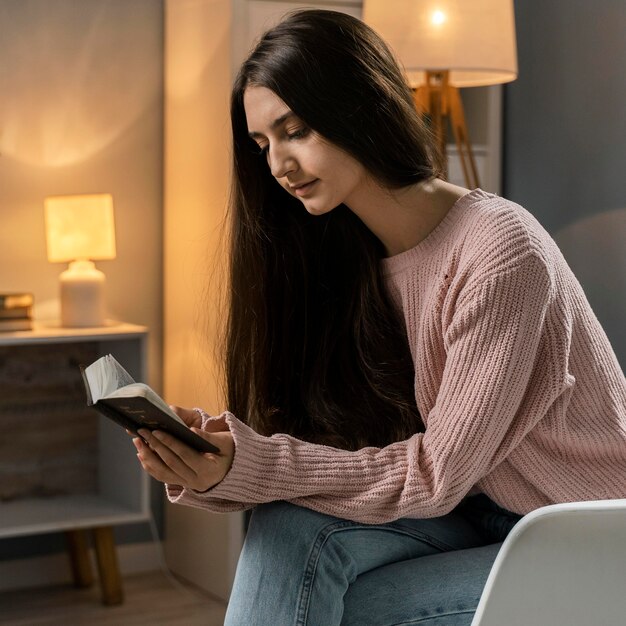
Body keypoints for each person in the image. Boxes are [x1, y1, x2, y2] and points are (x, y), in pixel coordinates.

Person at [132, 9, 626, 625]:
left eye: (297, 130)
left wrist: (254, 464)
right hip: (477, 514)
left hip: (589, 536)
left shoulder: (500, 251)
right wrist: (221, 457)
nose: (279, 165)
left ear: (361, 106)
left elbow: (435, 474)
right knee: (288, 532)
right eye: (264, 144)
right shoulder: (352, 256)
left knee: (338, 605)